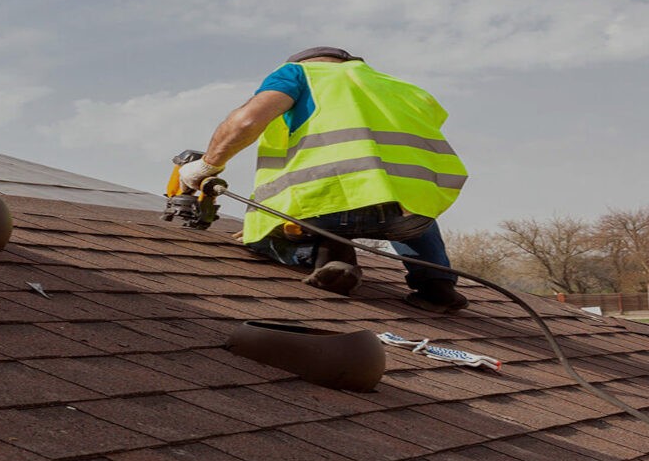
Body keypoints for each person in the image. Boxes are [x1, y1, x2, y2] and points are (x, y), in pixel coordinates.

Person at [178, 46, 469, 312]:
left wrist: (206, 166)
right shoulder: (403, 88)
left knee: (261, 236)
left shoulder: (299, 73)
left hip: (327, 208)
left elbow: (246, 121)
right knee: (411, 209)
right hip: (410, 213)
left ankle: (329, 258)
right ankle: (437, 284)